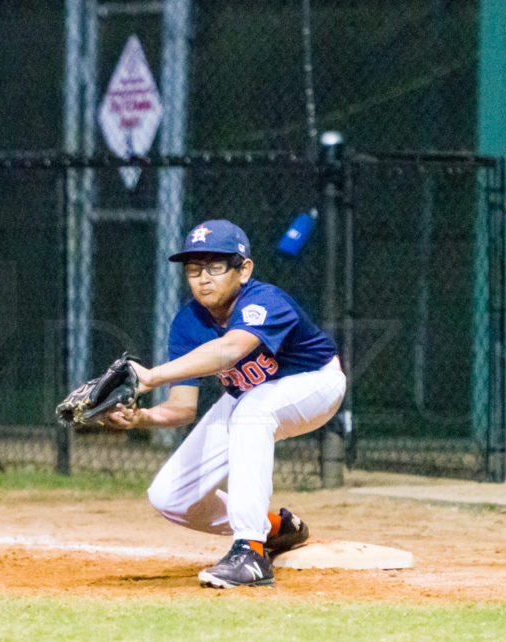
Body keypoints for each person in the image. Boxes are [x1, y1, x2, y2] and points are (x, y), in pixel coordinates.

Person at [105, 219, 346, 588]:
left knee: (253, 412)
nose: (203, 277)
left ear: (244, 269)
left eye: (215, 266)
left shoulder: (265, 300)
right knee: (170, 495)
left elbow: (230, 349)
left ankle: (250, 552)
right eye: (194, 268)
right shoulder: (189, 322)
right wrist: (140, 418)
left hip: (315, 384)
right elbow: (183, 408)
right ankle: (277, 528)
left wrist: (150, 376)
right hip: (251, 396)